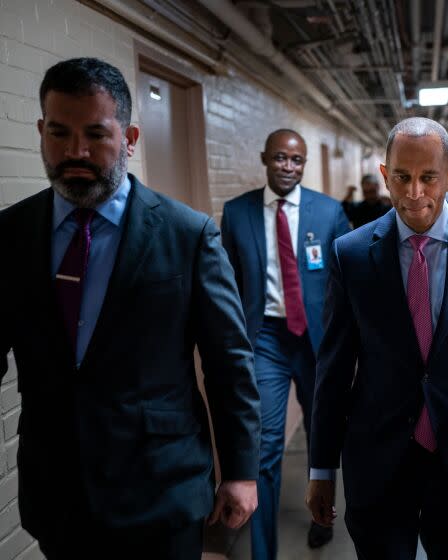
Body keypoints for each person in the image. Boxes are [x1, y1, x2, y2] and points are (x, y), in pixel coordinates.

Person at [0, 57, 260, 559]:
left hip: (161, 486)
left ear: (130, 137)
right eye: (59, 133)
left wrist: (242, 471)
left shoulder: (188, 235)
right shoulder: (10, 235)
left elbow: (230, 363)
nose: (75, 152)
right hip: (56, 488)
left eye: (96, 135)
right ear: (40, 131)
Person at [305, 117, 448, 559]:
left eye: (428, 177)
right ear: (384, 175)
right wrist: (321, 468)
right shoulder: (352, 254)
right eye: (402, 177)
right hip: (377, 462)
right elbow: (334, 367)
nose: (414, 193)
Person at [220, 129, 350, 556]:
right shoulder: (237, 213)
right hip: (267, 340)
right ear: (264, 158)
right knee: (266, 443)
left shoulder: (329, 213)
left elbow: (349, 281)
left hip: (317, 341)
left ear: (304, 163)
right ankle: (263, 552)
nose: (289, 168)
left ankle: (322, 516)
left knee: (321, 434)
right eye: (280, 158)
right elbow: (227, 283)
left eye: (297, 160)